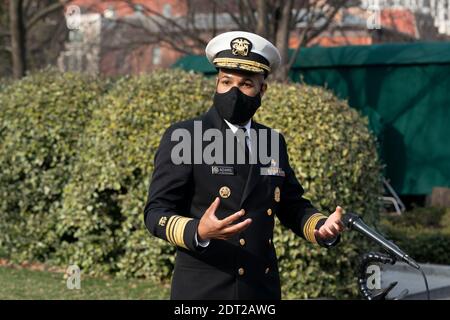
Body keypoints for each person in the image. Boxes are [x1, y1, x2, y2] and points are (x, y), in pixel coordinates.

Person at [144, 31, 345, 300]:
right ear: (216, 83)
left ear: (262, 89)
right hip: (205, 290)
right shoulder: (186, 137)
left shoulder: (272, 141)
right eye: (226, 82)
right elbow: (156, 212)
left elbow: (291, 204)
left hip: (260, 288)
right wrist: (199, 231)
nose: (234, 92)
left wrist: (320, 226)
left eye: (246, 84)